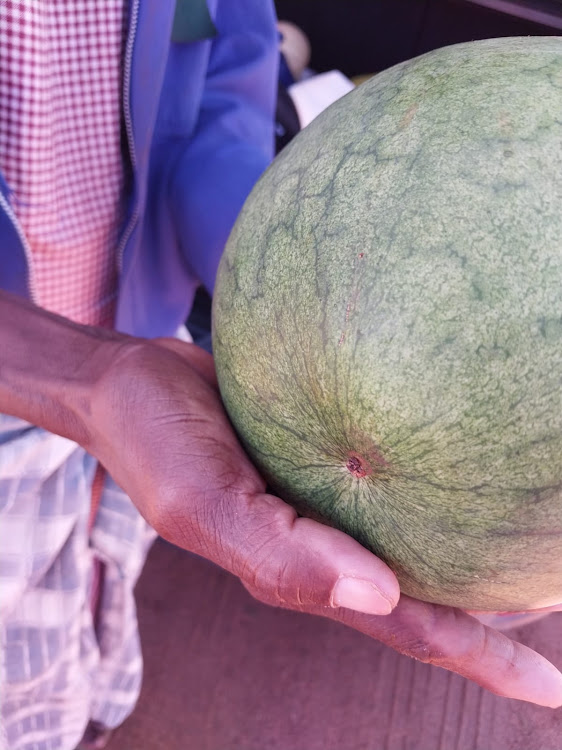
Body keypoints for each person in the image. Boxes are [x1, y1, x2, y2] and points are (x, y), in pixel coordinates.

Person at [0, 2, 560, 750]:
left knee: (102, 561)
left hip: (148, 341)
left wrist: (292, 275)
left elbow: (223, 80)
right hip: (34, 393)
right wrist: (77, 376)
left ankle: (96, 699)